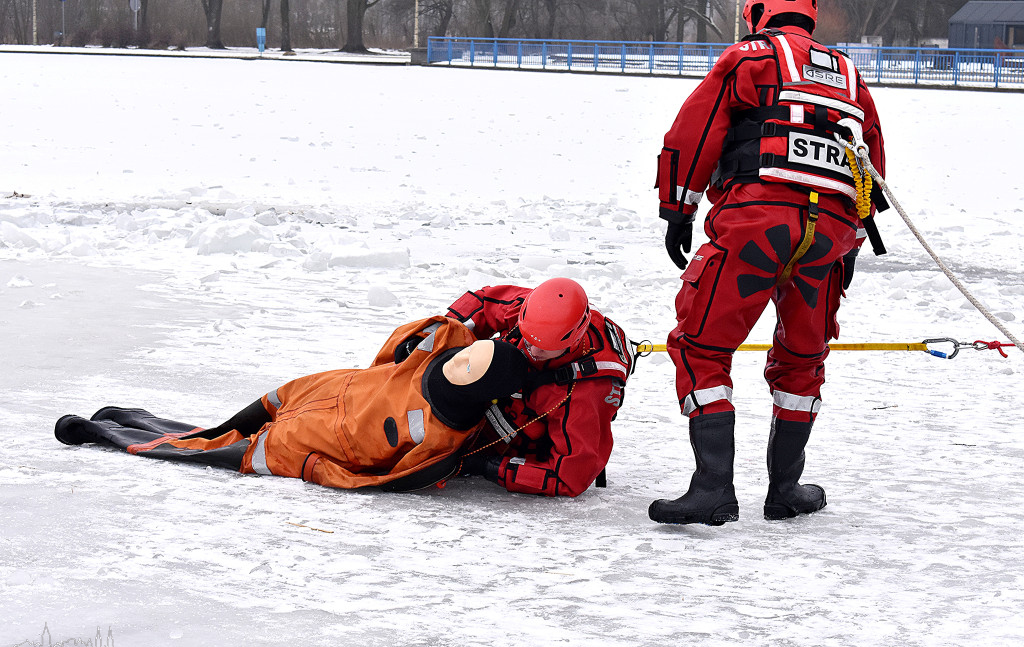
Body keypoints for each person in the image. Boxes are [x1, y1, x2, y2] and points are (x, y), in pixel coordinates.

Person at [649, 0, 887, 525]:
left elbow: (696, 132)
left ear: (757, 11)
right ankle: (785, 489)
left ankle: (712, 488)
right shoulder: (851, 76)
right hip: (829, 236)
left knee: (701, 346)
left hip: (757, 224)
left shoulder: (750, 57)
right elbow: (872, 161)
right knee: (803, 358)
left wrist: (678, 209)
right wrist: (851, 243)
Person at [54, 316, 531, 492]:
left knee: (206, 446)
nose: (465, 358)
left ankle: (108, 429)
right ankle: (126, 421)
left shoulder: (442, 438)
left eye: (473, 364)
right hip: (312, 396)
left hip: (302, 435)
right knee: (212, 436)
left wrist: (312, 466)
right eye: (474, 352)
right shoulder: (448, 342)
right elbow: (399, 347)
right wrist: (377, 377)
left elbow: (380, 481)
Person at [446, 277, 635, 497]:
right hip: (514, 389)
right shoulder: (538, 308)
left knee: (531, 427)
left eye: (544, 347)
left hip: (535, 429)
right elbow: (484, 301)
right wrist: (438, 334)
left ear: (573, 340)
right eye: (528, 339)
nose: (533, 351)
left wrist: (490, 467)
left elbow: (569, 478)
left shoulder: (584, 396)